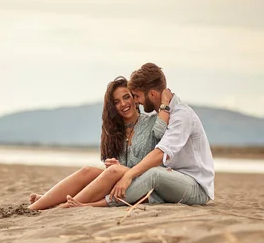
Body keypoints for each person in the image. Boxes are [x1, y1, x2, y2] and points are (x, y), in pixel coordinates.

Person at [67, 63, 215, 208]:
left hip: (196, 187)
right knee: (91, 171)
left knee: (154, 174)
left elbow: (160, 153)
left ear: (151, 94)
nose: (136, 101)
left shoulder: (182, 116)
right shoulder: (167, 111)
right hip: (173, 178)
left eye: (136, 96)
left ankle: (93, 204)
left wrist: (128, 175)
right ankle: (57, 200)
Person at [28, 76, 171, 210]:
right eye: (116, 102)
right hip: (121, 184)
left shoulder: (152, 121)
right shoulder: (114, 130)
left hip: (146, 184)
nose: (123, 104)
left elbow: (161, 141)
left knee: (114, 171)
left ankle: (62, 207)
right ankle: (36, 207)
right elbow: (115, 170)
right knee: (87, 171)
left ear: (135, 98)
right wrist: (113, 164)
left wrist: (165, 101)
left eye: (126, 97)